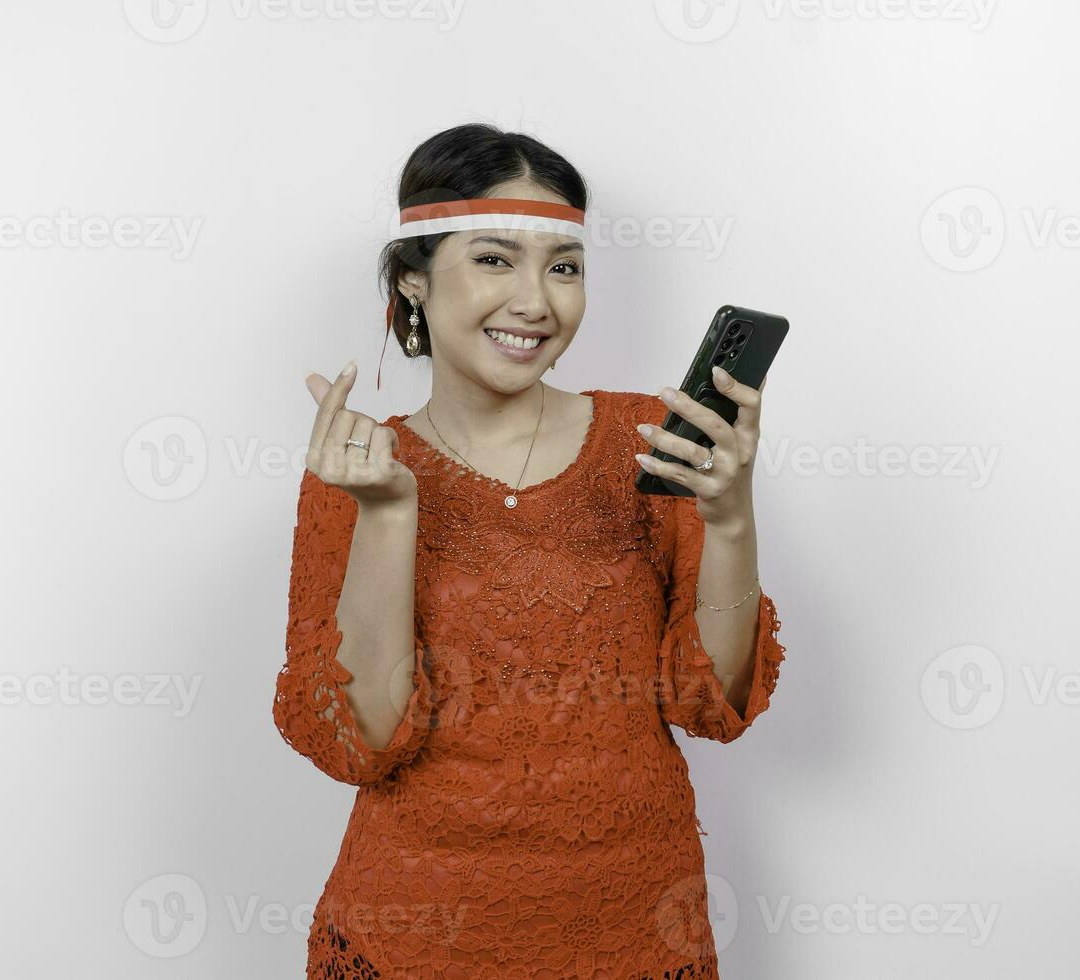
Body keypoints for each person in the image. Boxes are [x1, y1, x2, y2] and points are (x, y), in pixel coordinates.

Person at [272, 123, 786, 978]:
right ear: (412, 278)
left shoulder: (648, 444)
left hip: (634, 927)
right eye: (494, 259)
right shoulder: (356, 471)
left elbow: (709, 703)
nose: (536, 302)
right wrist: (389, 515)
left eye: (563, 267)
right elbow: (364, 738)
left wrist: (730, 520)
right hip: (414, 938)